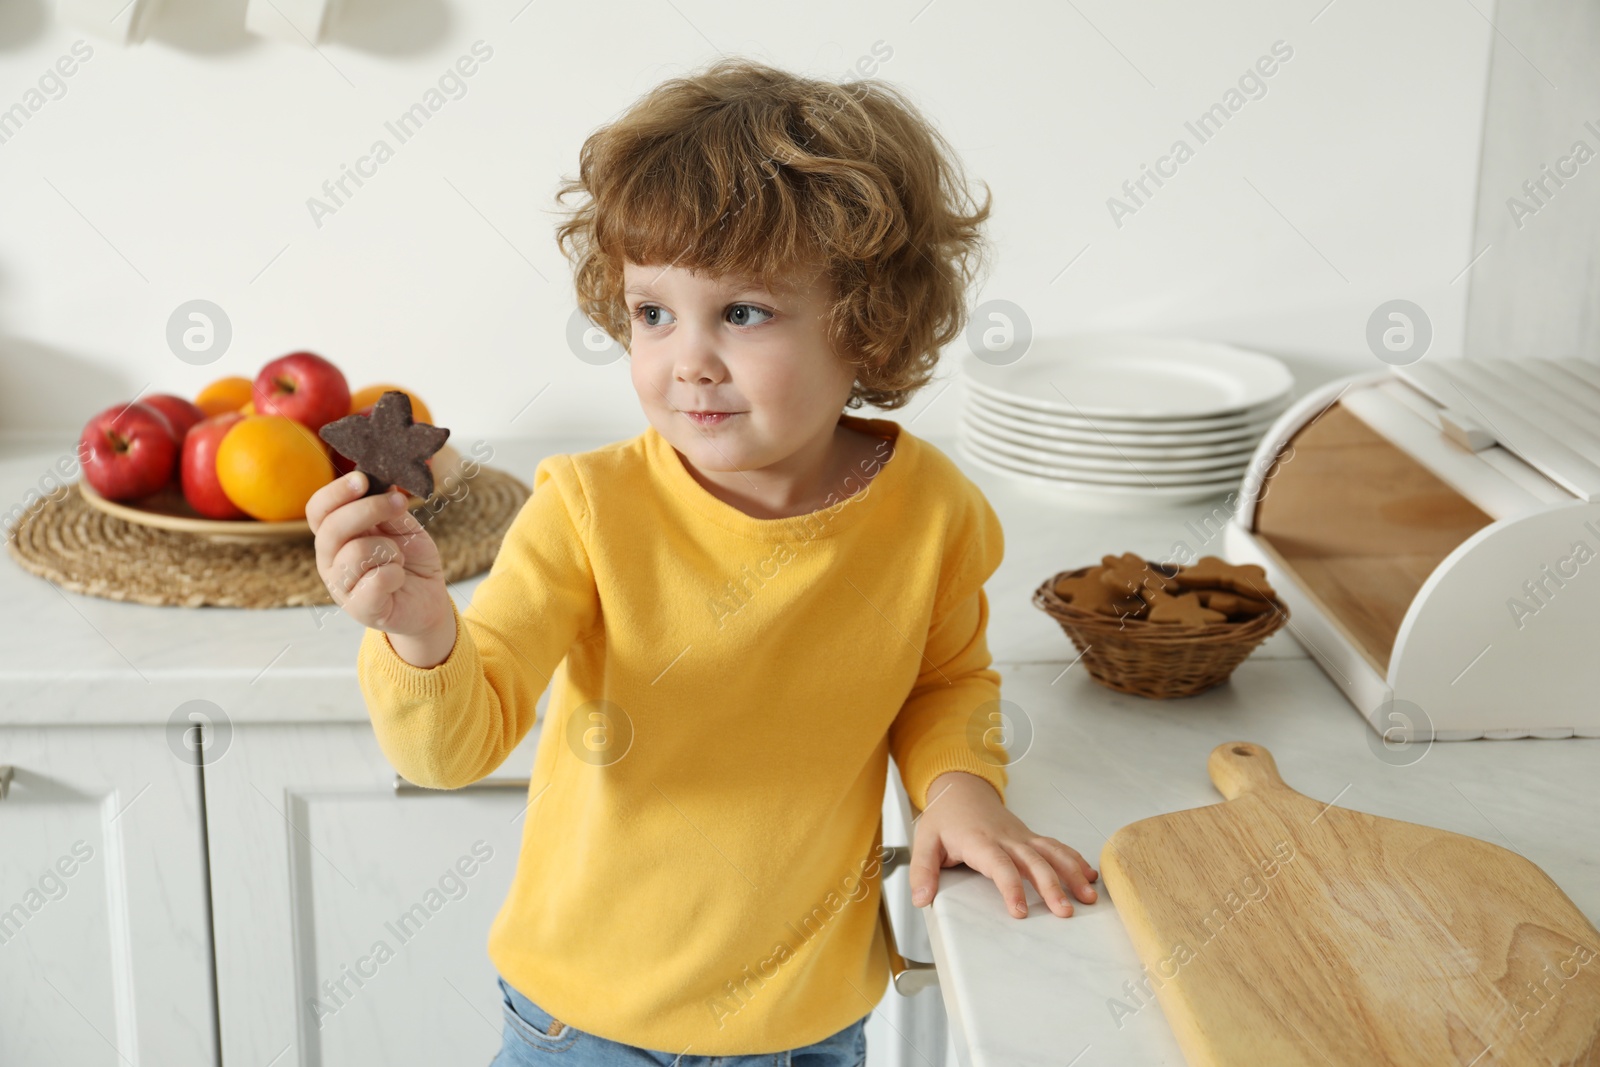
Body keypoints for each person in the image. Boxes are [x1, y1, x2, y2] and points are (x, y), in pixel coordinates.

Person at [308, 55, 1097, 1067]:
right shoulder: (587, 510)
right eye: (652, 312)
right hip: (583, 1024)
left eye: (744, 311)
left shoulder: (931, 511)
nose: (687, 359)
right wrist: (419, 630)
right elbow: (447, 752)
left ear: (865, 321)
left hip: (809, 1021)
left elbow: (942, 681)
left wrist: (960, 790)